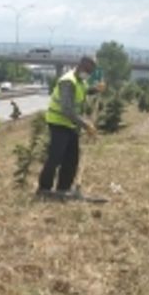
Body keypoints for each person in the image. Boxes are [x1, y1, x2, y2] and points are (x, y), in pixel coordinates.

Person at [38, 55, 101, 199]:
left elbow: (84, 91)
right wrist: (86, 125)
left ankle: (63, 188)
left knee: (72, 158)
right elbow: (67, 109)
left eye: (90, 72)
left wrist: (96, 89)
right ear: (81, 66)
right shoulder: (68, 81)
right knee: (56, 157)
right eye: (87, 70)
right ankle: (44, 188)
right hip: (58, 122)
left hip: (70, 124)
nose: (88, 74)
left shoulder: (80, 81)